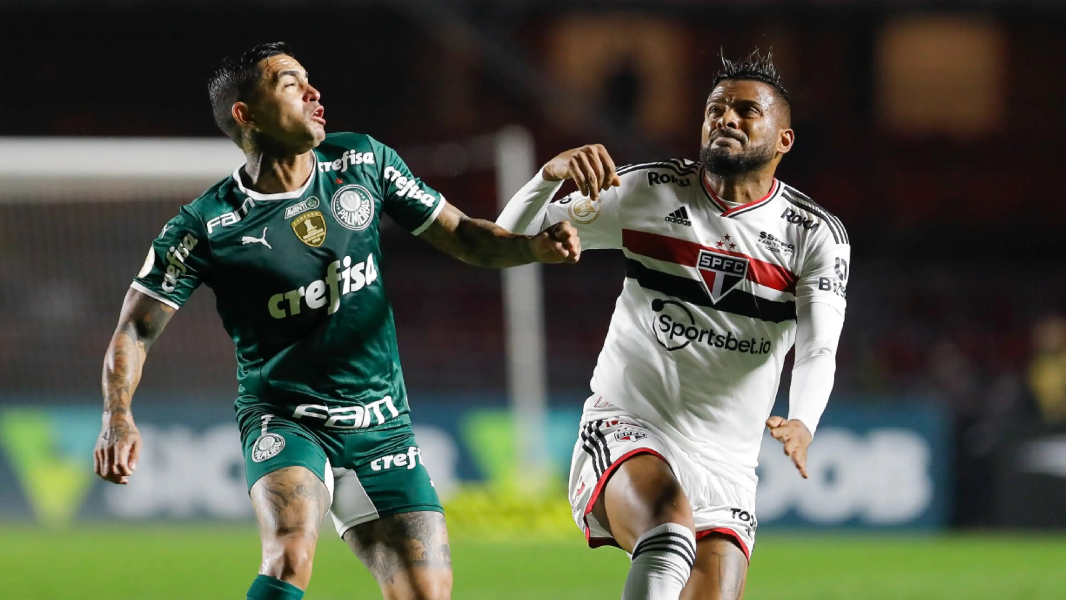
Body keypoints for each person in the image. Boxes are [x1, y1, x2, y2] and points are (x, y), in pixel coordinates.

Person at [92, 41, 580, 600]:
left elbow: (465, 234)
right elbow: (136, 326)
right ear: (244, 114)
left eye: (310, 80)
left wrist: (532, 248)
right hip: (286, 419)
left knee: (428, 593)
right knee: (289, 554)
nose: (314, 93)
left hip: (382, 424)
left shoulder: (363, 162)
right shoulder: (207, 223)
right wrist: (118, 415)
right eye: (290, 84)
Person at [497, 51, 849, 599]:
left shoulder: (814, 235)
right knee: (666, 537)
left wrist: (803, 420)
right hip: (630, 425)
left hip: (728, 466)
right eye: (716, 108)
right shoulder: (648, 191)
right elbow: (504, 243)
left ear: (784, 140)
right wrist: (547, 178)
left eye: (746, 111)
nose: (726, 119)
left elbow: (819, 348)